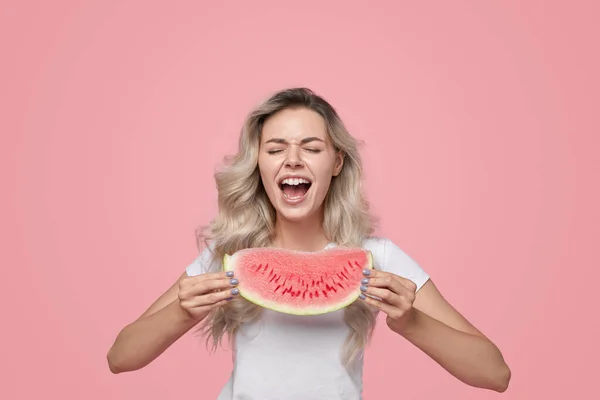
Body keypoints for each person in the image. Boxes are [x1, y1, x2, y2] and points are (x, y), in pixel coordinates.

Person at [107, 87, 511, 399]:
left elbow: (495, 373)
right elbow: (120, 357)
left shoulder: (377, 258)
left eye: (312, 148)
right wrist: (182, 311)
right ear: (259, 164)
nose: (293, 160)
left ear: (336, 163)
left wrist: (411, 321)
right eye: (275, 148)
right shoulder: (230, 258)